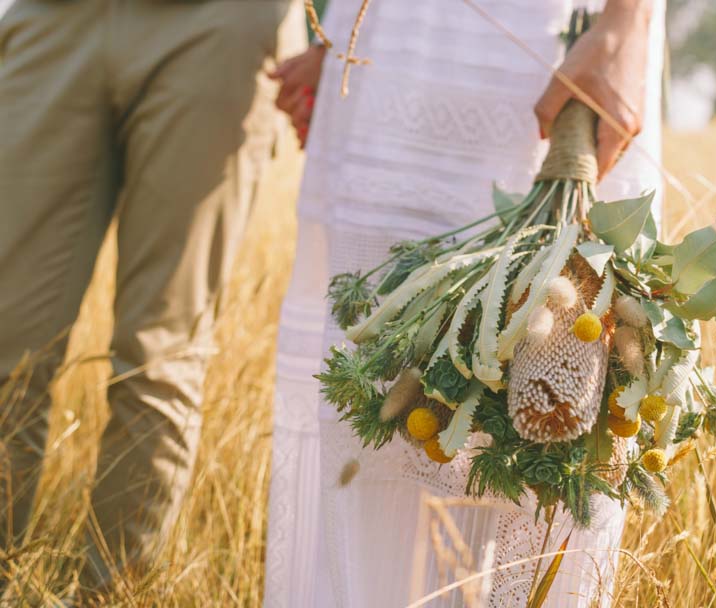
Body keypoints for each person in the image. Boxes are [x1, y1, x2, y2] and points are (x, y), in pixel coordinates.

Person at [266, 0, 664, 605]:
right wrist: (340, 32)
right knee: (373, 405)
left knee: (549, 413)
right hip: (394, 53)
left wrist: (625, 23)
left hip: (543, 47)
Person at [0, 0, 297, 596]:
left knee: (158, 353)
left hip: (217, 24)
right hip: (54, 16)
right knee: (8, 347)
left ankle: (106, 595)